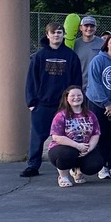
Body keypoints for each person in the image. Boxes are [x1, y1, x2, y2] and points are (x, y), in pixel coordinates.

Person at [22, 22, 83, 177]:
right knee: (37, 136)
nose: (57, 35)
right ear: (47, 35)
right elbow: (31, 80)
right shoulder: (39, 56)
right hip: (42, 104)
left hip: (64, 105)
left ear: (64, 35)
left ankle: (73, 165)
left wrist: (75, 102)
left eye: (60, 32)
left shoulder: (71, 56)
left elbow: (77, 81)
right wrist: (31, 102)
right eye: (54, 32)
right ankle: (33, 166)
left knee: (70, 135)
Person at [47, 85, 104, 188]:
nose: (76, 98)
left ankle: (77, 171)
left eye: (79, 95)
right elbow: (56, 137)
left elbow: (96, 134)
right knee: (67, 154)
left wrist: (89, 148)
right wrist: (77, 146)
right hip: (63, 148)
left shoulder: (90, 115)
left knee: (95, 164)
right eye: (72, 95)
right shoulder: (61, 115)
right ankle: (63, 177)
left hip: (84, 148)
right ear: (66, 98)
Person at [86, 33, 111, 179]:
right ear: (107, 44)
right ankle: (102, 166)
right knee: (100, 135)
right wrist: (106, 103)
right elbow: (95, 83)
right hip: (98, 104)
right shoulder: (98, 60)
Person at [73, 15, 104, 88]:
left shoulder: (103, 44)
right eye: (86, 26)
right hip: (78, 84)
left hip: (97, 86)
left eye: (92, 26)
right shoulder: (75, 44)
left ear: (95, 28)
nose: (89, 28)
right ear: (81, 28)